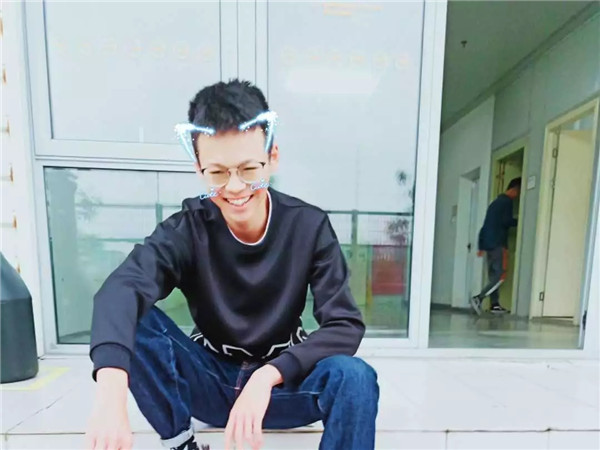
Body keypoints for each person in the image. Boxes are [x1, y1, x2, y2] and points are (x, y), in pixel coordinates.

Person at [85, 79, 379, 450]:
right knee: (135, 314)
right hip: (209, 383)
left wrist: (269, 375)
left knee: (355, 377)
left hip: (281, 389)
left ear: (272, 157)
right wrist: (110, 395)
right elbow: (120, 290)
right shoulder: (188, 228)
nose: (236, 187)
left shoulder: (308, 226)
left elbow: (344, 324)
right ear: (199, 169)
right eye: (218, 172)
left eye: (249, 168)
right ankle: (180, 444)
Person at [470, 177, 521, 315]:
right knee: (500, 276)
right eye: (518, 192)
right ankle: (479, 298)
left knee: (493, 276)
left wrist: (481, 246)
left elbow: (484, 226)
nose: (517, 196)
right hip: (499, 244)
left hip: (489, 245)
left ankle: (495, 304)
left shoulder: (494, 203)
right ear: (515, 189)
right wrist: (520, 220)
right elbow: (506, 221)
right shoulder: (507, 202)